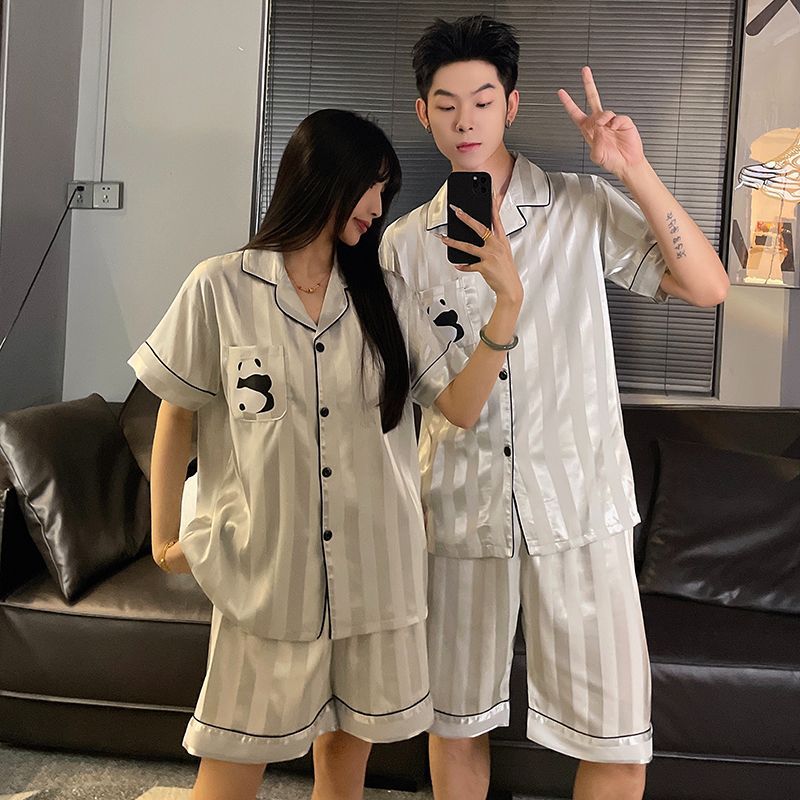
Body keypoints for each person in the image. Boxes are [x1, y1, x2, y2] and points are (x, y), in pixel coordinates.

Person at [379, 16, 729, 800]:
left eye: (482, 101)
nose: (465, 121)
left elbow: (708, 287)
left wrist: (634, 168)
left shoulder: (580, 205)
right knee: (456, 724)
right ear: (422, 113)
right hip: (461, 512)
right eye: (446, 105)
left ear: (511, 105)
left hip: (582, 506)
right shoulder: (404, 246)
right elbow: (450, 408)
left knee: (617, 739)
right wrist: (504, 303)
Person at [128, 108, 522, 800]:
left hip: (375, 574)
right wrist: (163, 538)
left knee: (344, 761)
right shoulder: (220, 287)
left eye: (386, 191)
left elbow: (460, 408)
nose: (379, 204)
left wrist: (507, 307)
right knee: (230, 760)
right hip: (266, 574)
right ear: (323, 177)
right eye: (373, 184)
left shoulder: (385, 297)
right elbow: (176, 412)